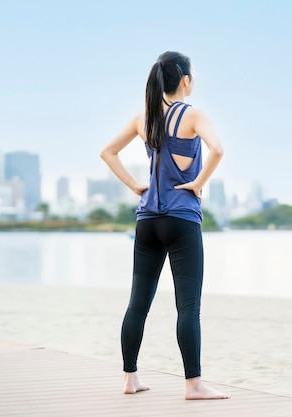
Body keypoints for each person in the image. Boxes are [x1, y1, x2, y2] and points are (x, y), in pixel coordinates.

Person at [100, 51, 228, 400]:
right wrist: (198, 182)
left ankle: (129, 379)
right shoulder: (194, 115)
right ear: (185, 79)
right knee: (188, 307)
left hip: (147, 220)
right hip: (181, 218)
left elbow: (107, 152)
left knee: (137, 304)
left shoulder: (145, 117)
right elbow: (217, 149)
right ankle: (194, 385)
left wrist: (135, 186)